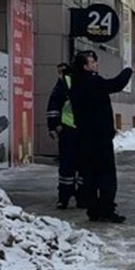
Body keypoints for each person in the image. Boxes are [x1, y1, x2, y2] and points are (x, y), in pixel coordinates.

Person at [68, 50, 133, 223]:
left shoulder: (76, 84)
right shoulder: (92, 81)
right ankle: (106, 209)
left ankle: (93, 209)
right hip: (100, 137)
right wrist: (128, 71)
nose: (95, 63)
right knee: (106, 175)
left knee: (89, 175)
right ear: (85, 66)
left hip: (84, 136)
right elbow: (116, 84)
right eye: (92, 61)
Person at [45, 63, 85, 210]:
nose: (60, 75)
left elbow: (53, 106)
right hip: (71, 129)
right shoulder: (64, 87)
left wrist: (54, 126)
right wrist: (54, 126)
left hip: (74, 130)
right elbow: (53, 108)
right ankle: (72, 197)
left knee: (76, 166)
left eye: (61, 72)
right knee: (72, 165)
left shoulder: (66, 86)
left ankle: (72, 197)